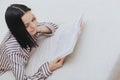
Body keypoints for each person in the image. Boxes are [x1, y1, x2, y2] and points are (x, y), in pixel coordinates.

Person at [0, 4, 66, 80]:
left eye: (33, 19)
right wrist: (48, 69)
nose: (33, 26)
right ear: (17, 29)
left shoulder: (29, 26)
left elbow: (53, 25)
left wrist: (38, 29)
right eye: (26, 25)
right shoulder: (13, 51)